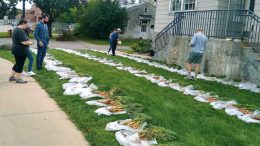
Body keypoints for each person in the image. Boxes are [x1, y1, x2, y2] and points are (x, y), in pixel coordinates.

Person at [9, 19, 34, 83]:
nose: (27, 26)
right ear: (23, 23)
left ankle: (11, 77)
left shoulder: (16, 29)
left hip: (17, 49)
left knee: (17, 63)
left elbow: (23, 40)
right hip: (20, 50)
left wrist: (27, 41)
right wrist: (31, 43)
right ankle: (18, 78)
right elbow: (23, 42)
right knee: (20, 64)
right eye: (26, 24)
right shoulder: (20, 31)